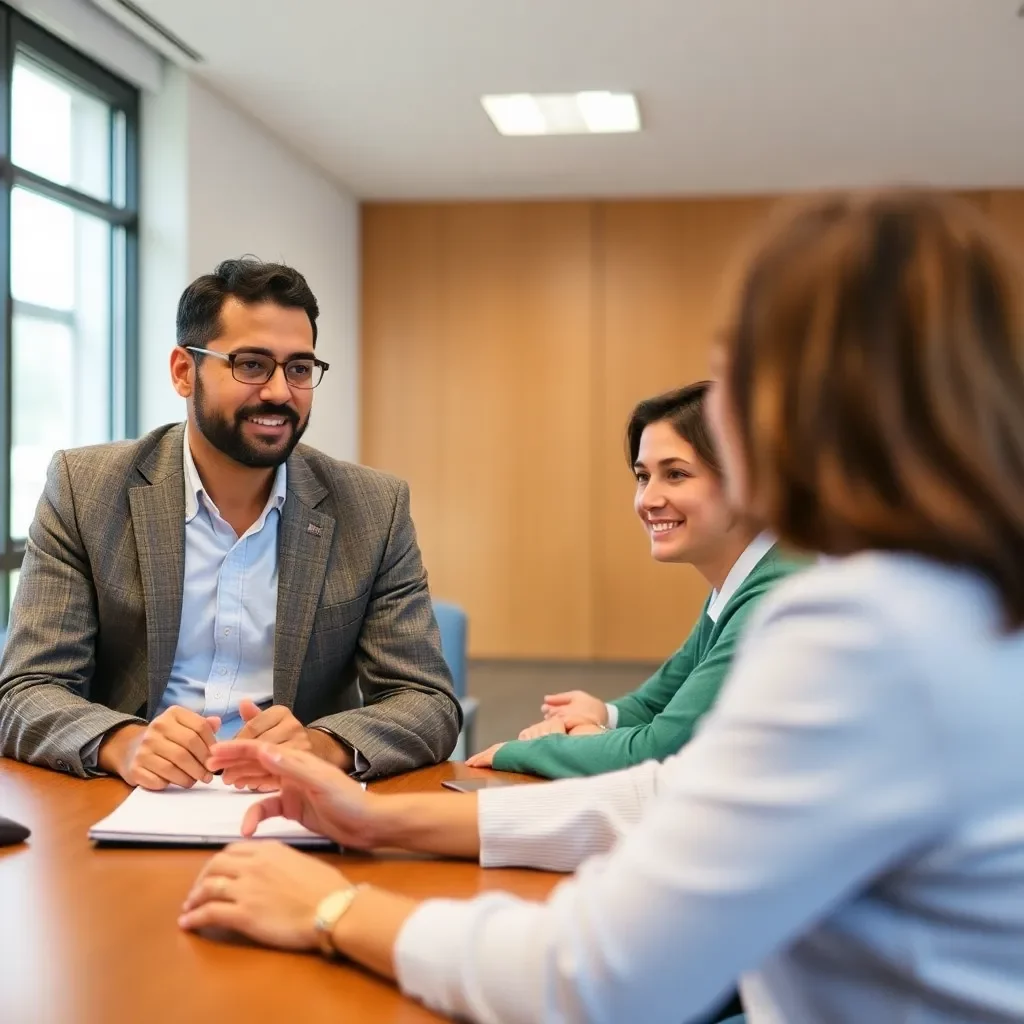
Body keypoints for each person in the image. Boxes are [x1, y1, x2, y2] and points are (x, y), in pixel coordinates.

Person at [181, 191, 1024, 1024]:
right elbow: (672, 796)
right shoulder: (953, 599)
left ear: (800, 395)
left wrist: (332, 909)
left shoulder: (866, 633)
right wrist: (382, 817)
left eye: (729, 373)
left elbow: (592, 979)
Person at [0, 258, 461, 787]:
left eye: (299, 368)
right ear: (182, 371)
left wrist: (319, 745)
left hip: (293, 801)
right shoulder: (87, 490)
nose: (279, 392)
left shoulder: (373, 509)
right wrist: (123, 743)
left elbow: (426, 702)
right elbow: (25, 690)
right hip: (130, 797)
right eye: (251, 364)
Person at [466, 383, 805, 778]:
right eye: (643, 476)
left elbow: (655, 751)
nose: (648, 499)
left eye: (676, 474)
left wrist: (529, 748)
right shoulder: (741, 580)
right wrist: (602, 715)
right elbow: (658, 701)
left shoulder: (774, 594)